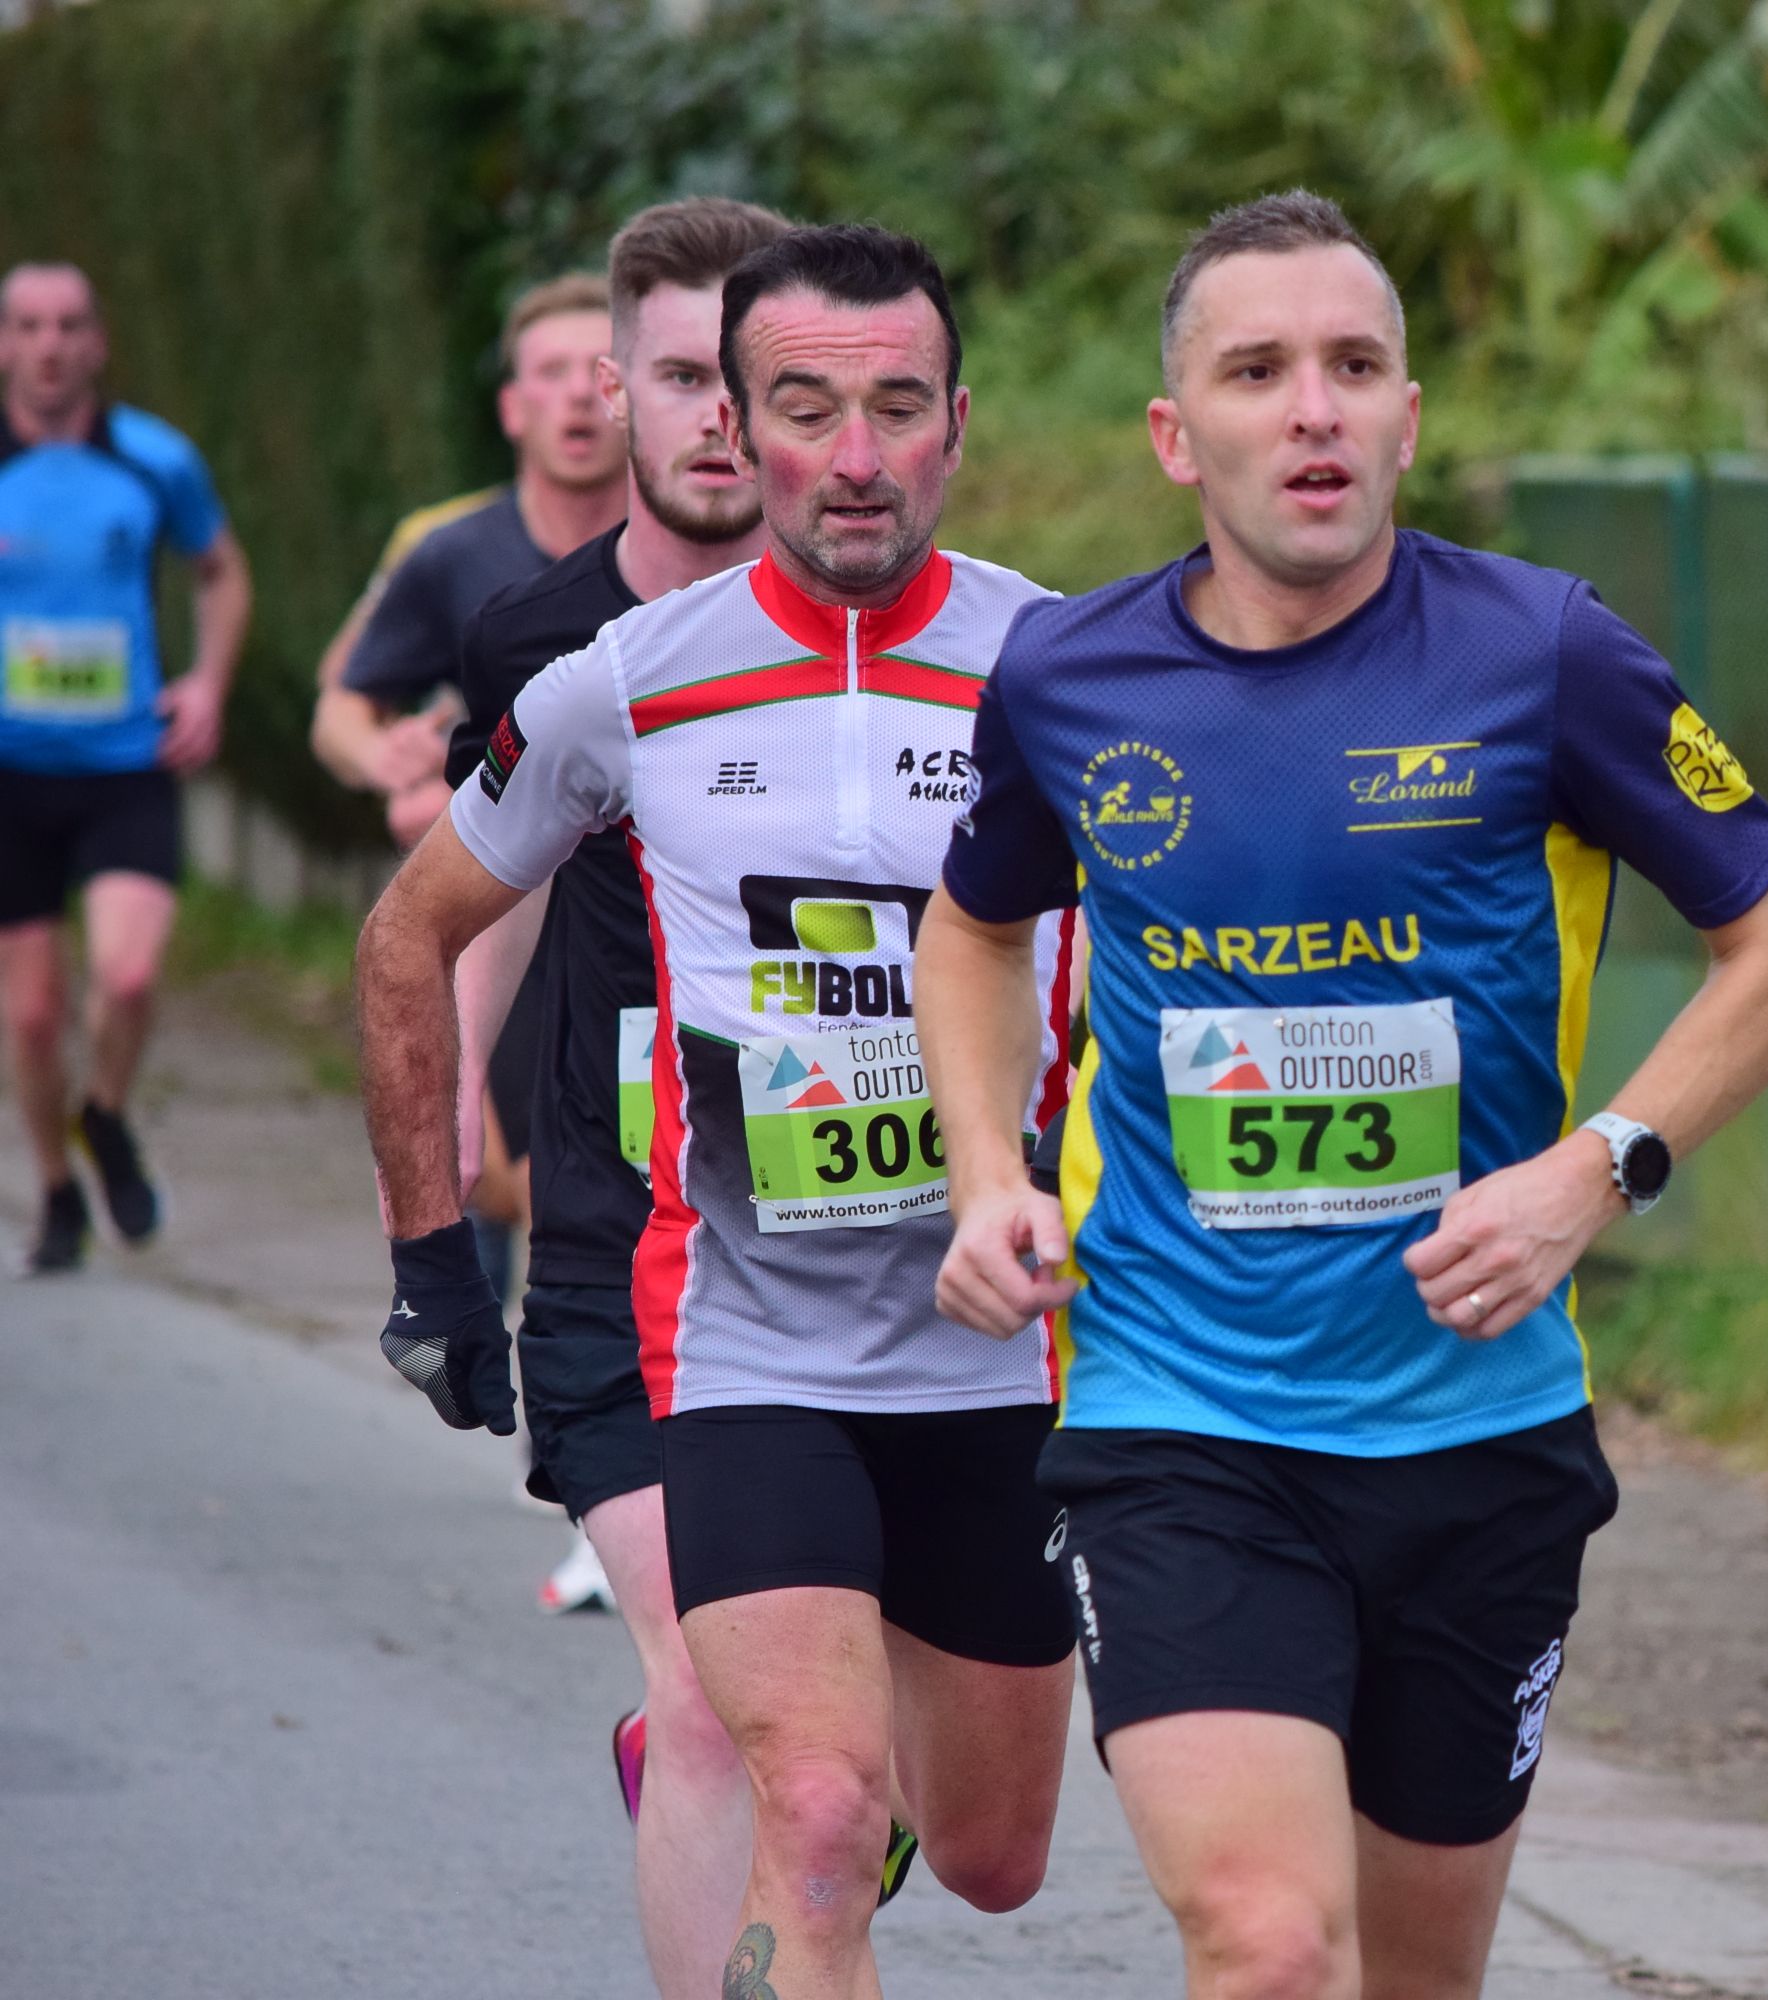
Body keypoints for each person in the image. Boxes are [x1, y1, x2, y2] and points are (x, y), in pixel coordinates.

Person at [916, 189, 1768, 2000]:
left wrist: (1594, 1170)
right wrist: (982, 1177)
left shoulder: (1547, 652)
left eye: (1352, 367)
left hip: (1479, 1435)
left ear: (1409, 417)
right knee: (1268, 1946)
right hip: (1177, 1418)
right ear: (1177, 434)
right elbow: (972, 929)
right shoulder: (1071, 677)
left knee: (1414, 1978)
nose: (1312, 409)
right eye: (1257, 371)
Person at [355, 223, 1080, 1996]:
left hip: (1003, 1350)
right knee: (817, 1815)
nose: (856, 457)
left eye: (897, 409)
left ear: (958, 424)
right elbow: (408, 935)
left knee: (989, 1856)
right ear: (740, 436)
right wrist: (434, 1253)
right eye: (807, 412)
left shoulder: (1069, 671)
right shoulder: (622, 680)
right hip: (743, 1342)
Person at [435, 195, 790, 1997]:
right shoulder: (536, 643)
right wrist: (444, 1152)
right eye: (678, 378)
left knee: (887, 1776)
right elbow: (468, 904)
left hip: (855, 1241)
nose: (718, 416)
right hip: (615, 1232)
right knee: (720, 1693)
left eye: (749, 379)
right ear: (620, 399)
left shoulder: (908, 632)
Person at [312, 272, 627, 1415]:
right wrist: (394, 763)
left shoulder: (696, 549)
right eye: (551, 373)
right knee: (508, 1174)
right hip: (499, 899)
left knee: (596, 1175)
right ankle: (558, 1391)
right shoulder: (452, 553)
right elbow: (342, 708)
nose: (579, 398)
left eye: (599, 372)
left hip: (634, 909)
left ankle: (592, 1419)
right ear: (512, 406)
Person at [0, 260, 252, 1274]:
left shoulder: (155, 458)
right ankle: (57, 1193)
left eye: (69, 325)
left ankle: (102, 1114)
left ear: (98, 343)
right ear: (5, 344)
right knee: (31, 1012)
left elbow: (221, 570)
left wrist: (208, 685)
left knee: (129, 972)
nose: (50, 345)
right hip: (12, 775)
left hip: (124, 764)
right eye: (28, 325)